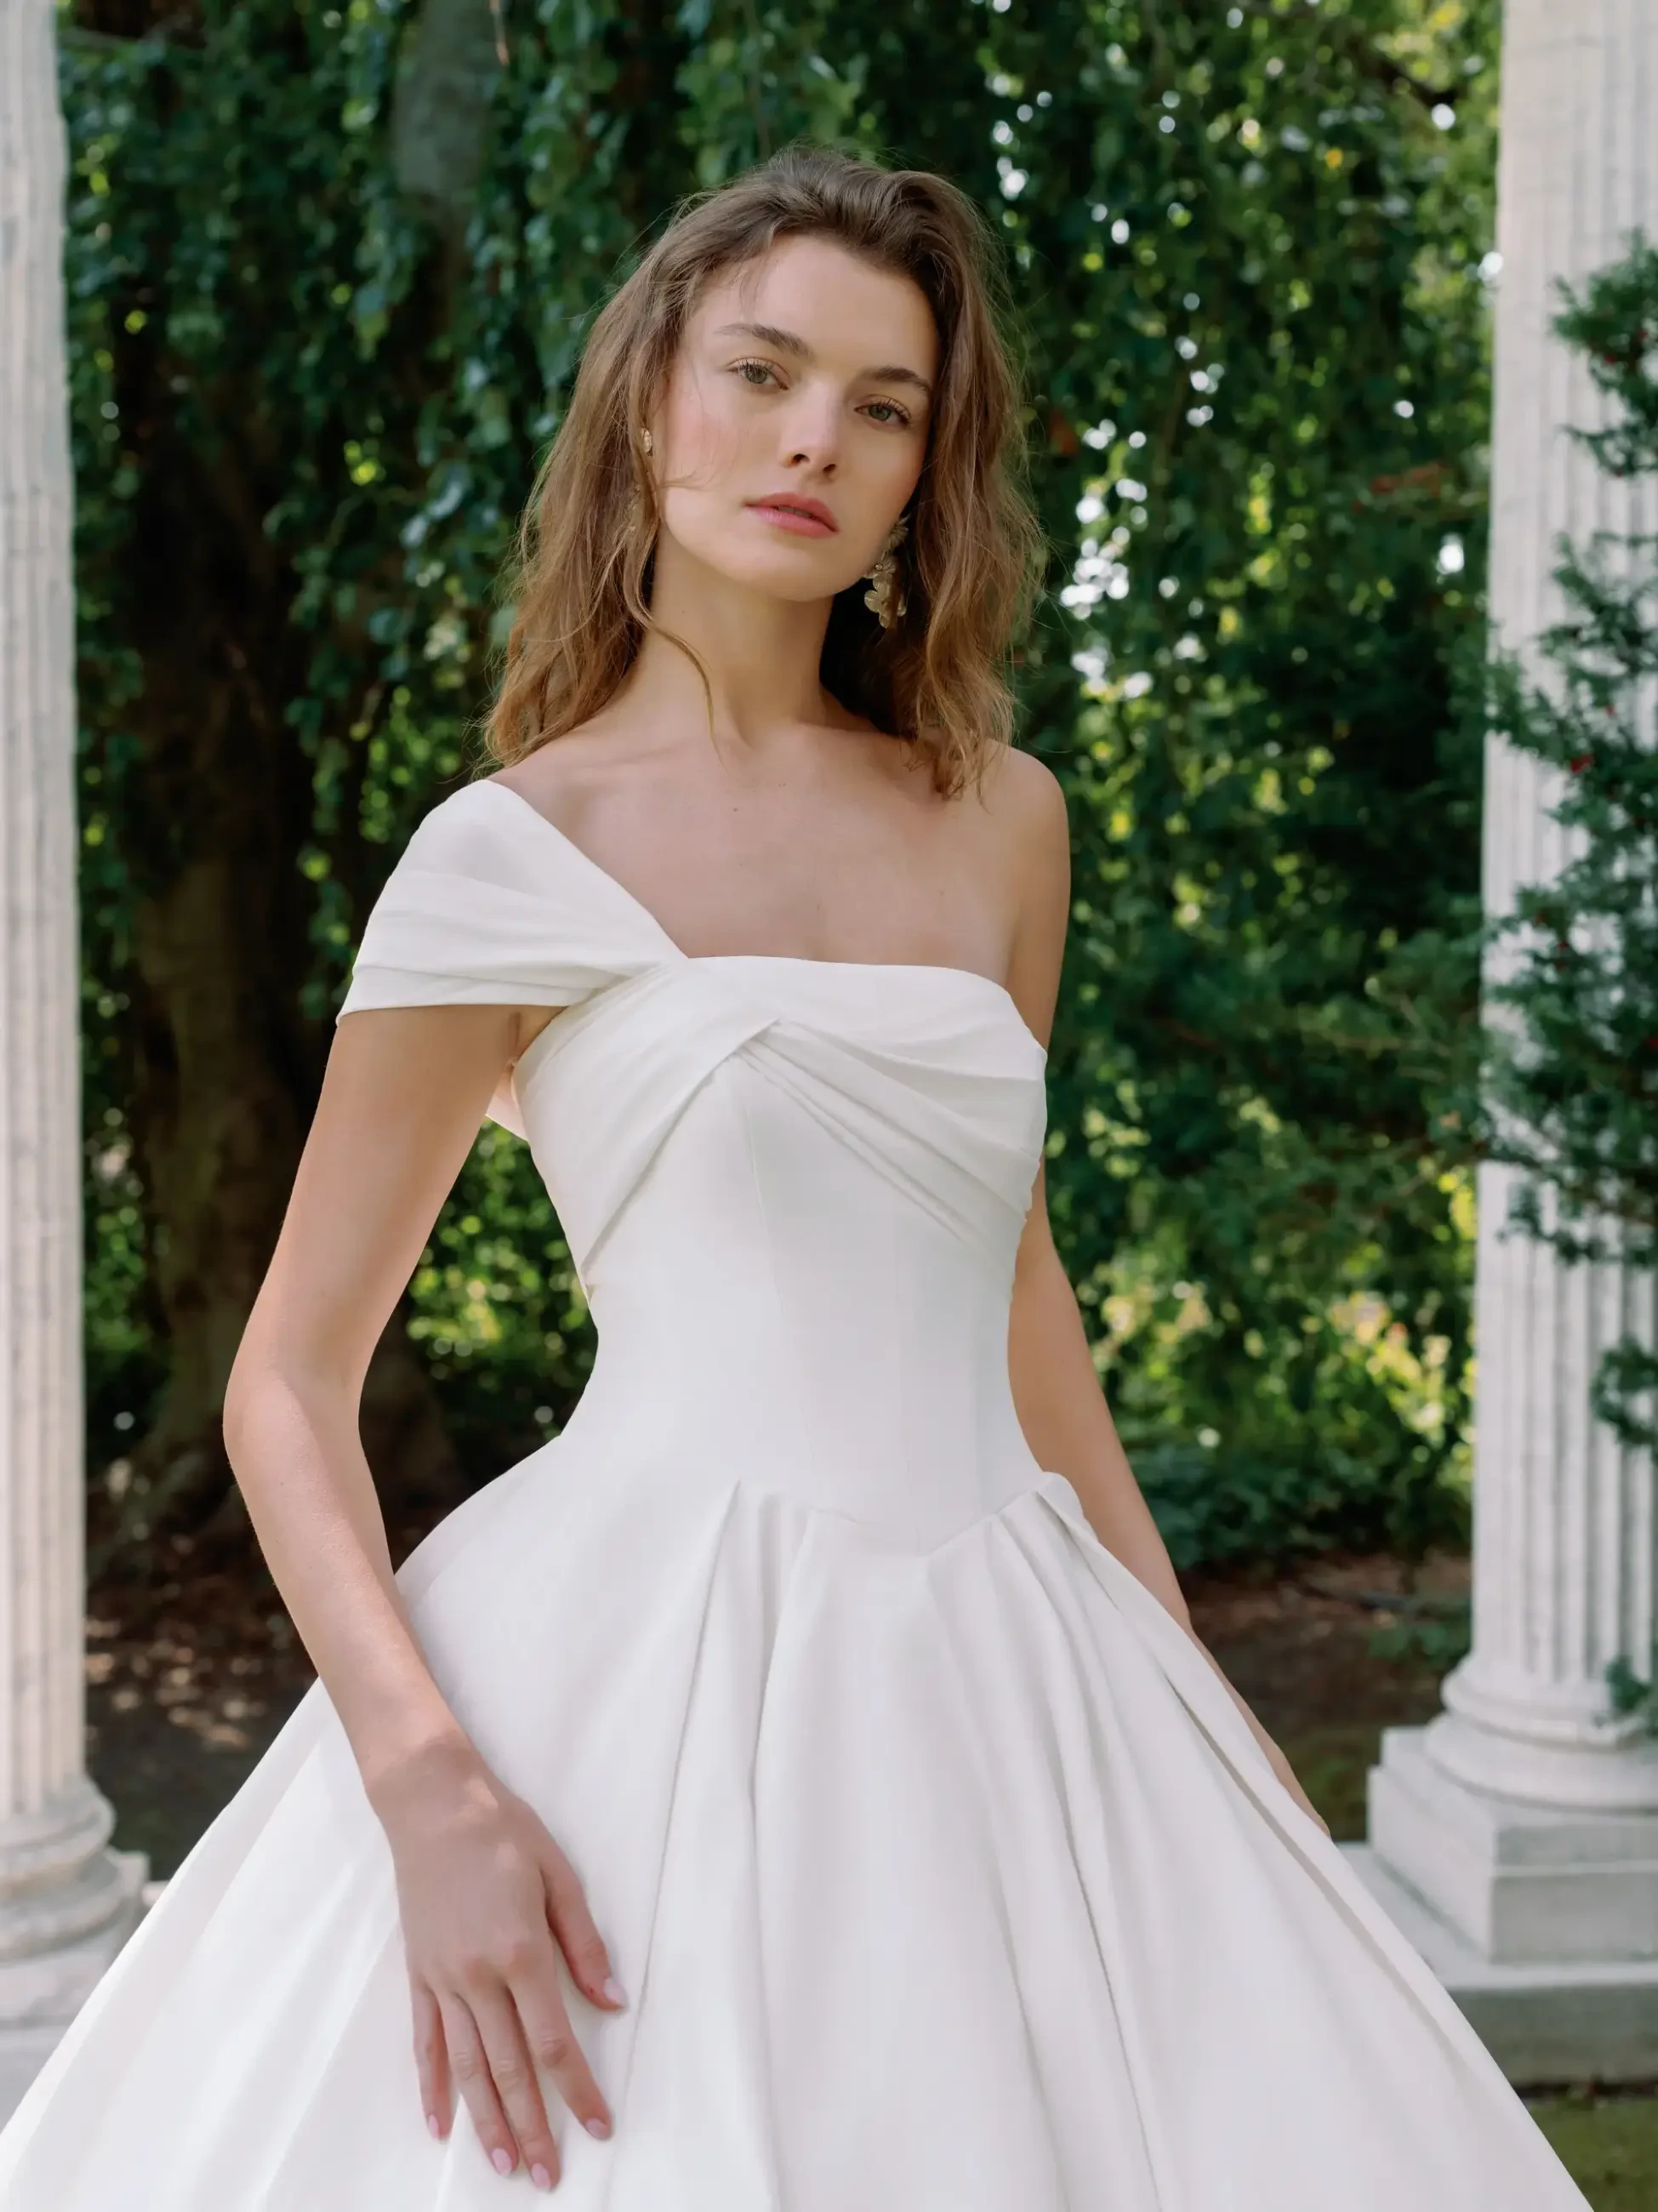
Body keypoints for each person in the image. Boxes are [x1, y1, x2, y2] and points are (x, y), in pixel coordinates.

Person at [0, 143, 1589, 2211]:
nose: (811, 439)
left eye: (883, 405)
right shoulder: (504, 854)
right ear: (649, 391)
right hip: (636, 1663)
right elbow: (286, 1378)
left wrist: (1191, 1697)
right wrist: (425, 1786)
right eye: (761, 372)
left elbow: (1015, 1300)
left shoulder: (998, 818)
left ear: (929, 473)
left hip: (1024, 1651)